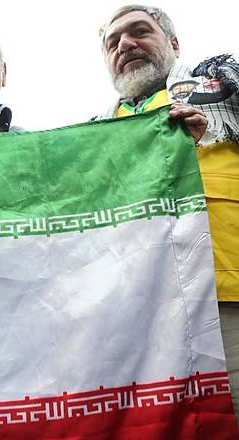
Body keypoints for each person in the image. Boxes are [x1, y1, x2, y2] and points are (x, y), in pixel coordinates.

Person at [97, 3, 239, 419]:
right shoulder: (98, 126)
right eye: (112, 42)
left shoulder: (221, 80)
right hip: (147, 320)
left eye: (140, 31)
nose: (125, 44)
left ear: (174, 43)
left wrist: (210, 129)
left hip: (228, 299)